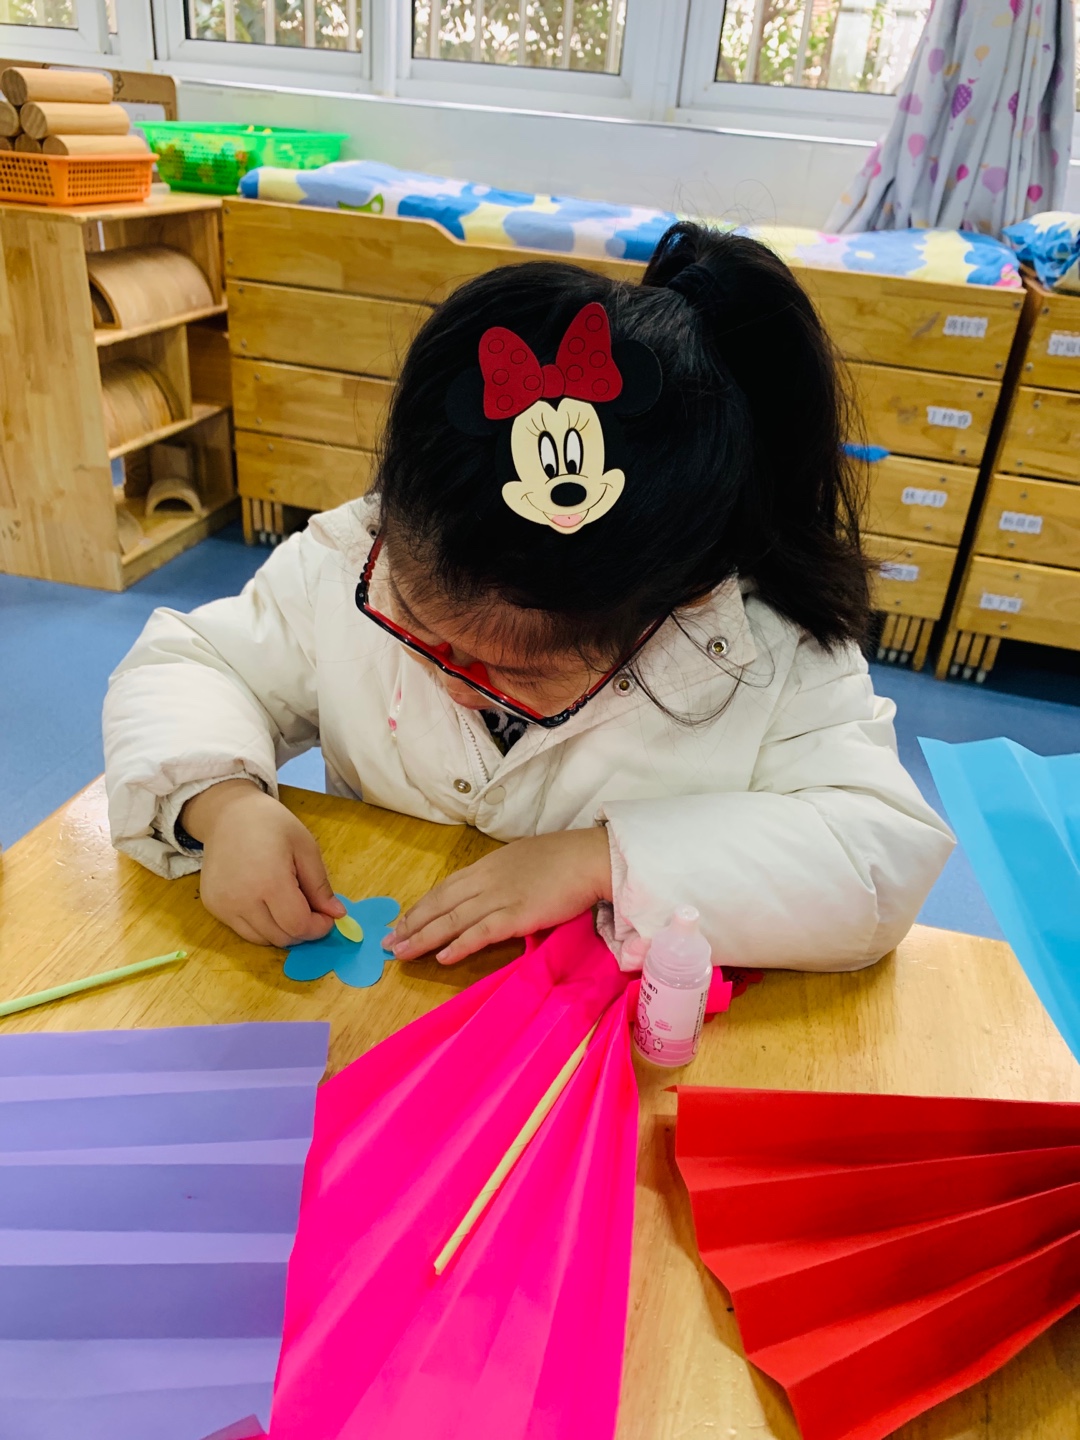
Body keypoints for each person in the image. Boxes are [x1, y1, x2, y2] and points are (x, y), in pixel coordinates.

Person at [103, 221, 953, 971]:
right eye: (423, 633)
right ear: (394, 522)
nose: (454, 684)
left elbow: (876, 857)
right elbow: (194, 663)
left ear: (678, 603)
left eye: (516, 673)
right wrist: (222, 804)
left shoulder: (767, 651)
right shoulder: (352, 558)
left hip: (598, 1036)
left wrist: (600, 862)